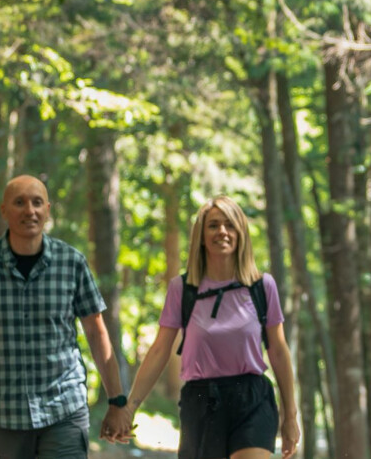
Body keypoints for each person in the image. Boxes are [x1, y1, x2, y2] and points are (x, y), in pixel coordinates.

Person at [105, 196, 301, 459]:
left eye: (230, 225)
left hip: (252, 399)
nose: (222, 231)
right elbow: (159, 350)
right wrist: (130, 408)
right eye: (214, 225)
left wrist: (290, 416)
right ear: (201, 235)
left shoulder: (262, 287)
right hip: (201, 402)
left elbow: (278, 351)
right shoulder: (183, 289)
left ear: (241, 232)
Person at [0, 175, 128, 458]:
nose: (29, 210)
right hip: (5, 414)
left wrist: (117, 401)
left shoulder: (72, 262)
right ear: (4, 210)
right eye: (19, 203)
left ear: (47, 210)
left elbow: (97, 332)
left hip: (64, 409)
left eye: (37, 203)